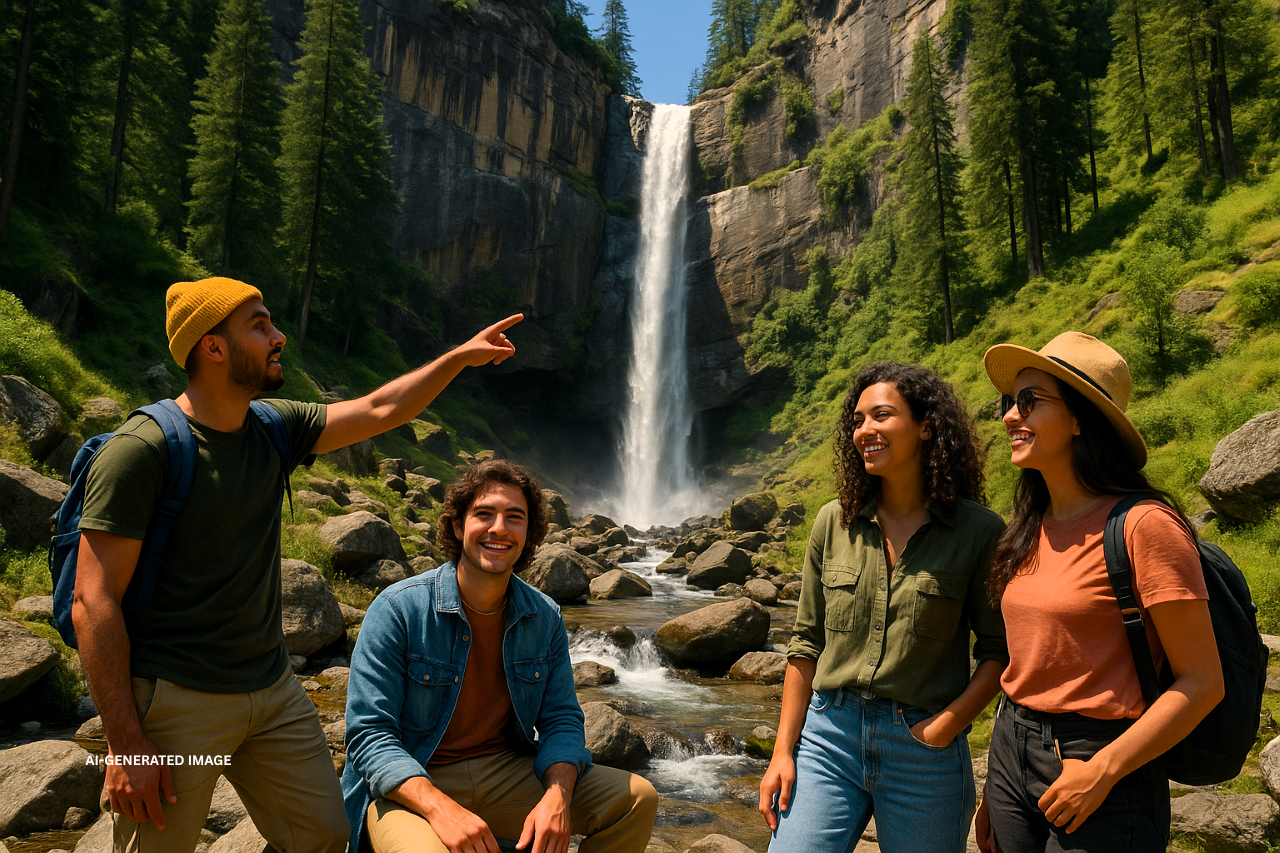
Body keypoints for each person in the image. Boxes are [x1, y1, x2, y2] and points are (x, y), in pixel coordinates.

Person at [72, 275, 522, 853]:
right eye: (259, 326)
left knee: (325, 837)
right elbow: (93, 600)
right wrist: (128, 747)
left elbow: (381, 407)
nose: (279, 336)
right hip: (178, 708)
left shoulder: (273, 427)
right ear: (212, 347)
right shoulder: (143, 450)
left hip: (273, 693)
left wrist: (459, 358)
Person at [980, 331, 1224, 853]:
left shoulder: (1144, 526)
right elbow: (1029, 666)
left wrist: (1104, 770)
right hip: (1011, 746)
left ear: (1079, 418)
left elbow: (1203, 682)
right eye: (1008, 402)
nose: (1009, 416)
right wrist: (997, 783)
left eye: (1029, 401)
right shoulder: (1028, 525)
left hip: (1102, 759)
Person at [341, 459, 659, 853]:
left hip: (504, 772)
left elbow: (561, 718)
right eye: (484, 514)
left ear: (529, 533)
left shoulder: (543, 616)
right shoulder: (397, 609)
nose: (499, 529)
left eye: (514, 517)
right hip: (412, 783)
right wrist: (442, 809)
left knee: (636, 798)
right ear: (458, 526)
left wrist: (558, 795)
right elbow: (369, 734)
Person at [759, 362, 1008, 853]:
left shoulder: (978, 532)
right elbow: (805, 645)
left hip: (924, 750)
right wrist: (782, 751)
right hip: (829, 735)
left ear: (926, 426)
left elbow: (1000, 651)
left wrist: (946, 726)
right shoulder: (834, 522)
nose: (865, 431)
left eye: (881, 416)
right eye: (857, 421)